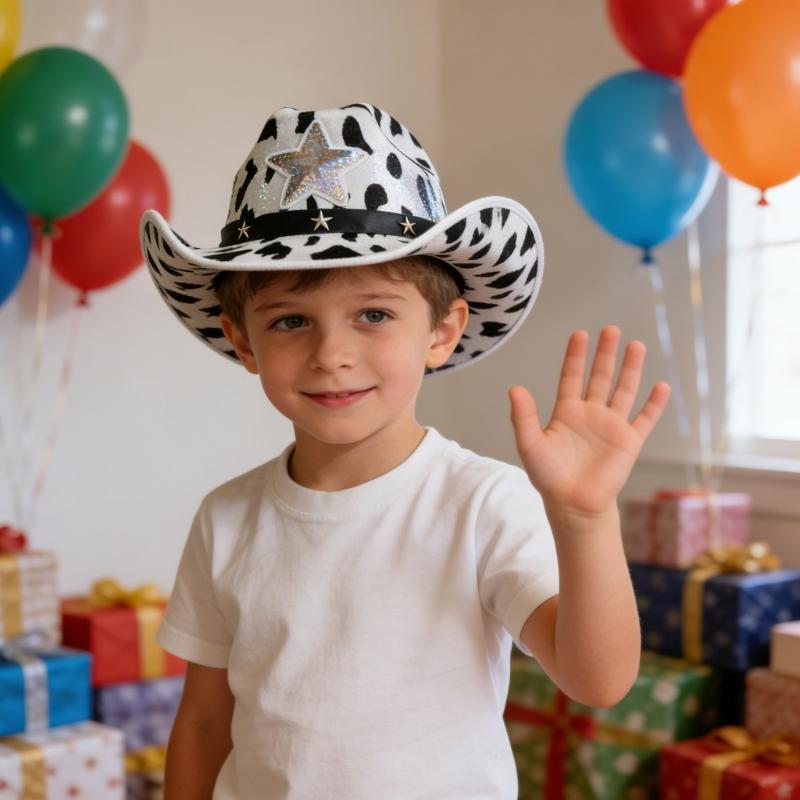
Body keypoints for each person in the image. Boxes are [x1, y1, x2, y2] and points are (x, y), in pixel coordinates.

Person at [139, 103, 670, 800]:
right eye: (291, 321)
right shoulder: (227, 517)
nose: (332, 355)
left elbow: (597, 680)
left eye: (374, 314)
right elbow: (207, 723)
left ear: (442, 332)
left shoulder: (481, 502)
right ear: (244, 342)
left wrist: (585, 519)